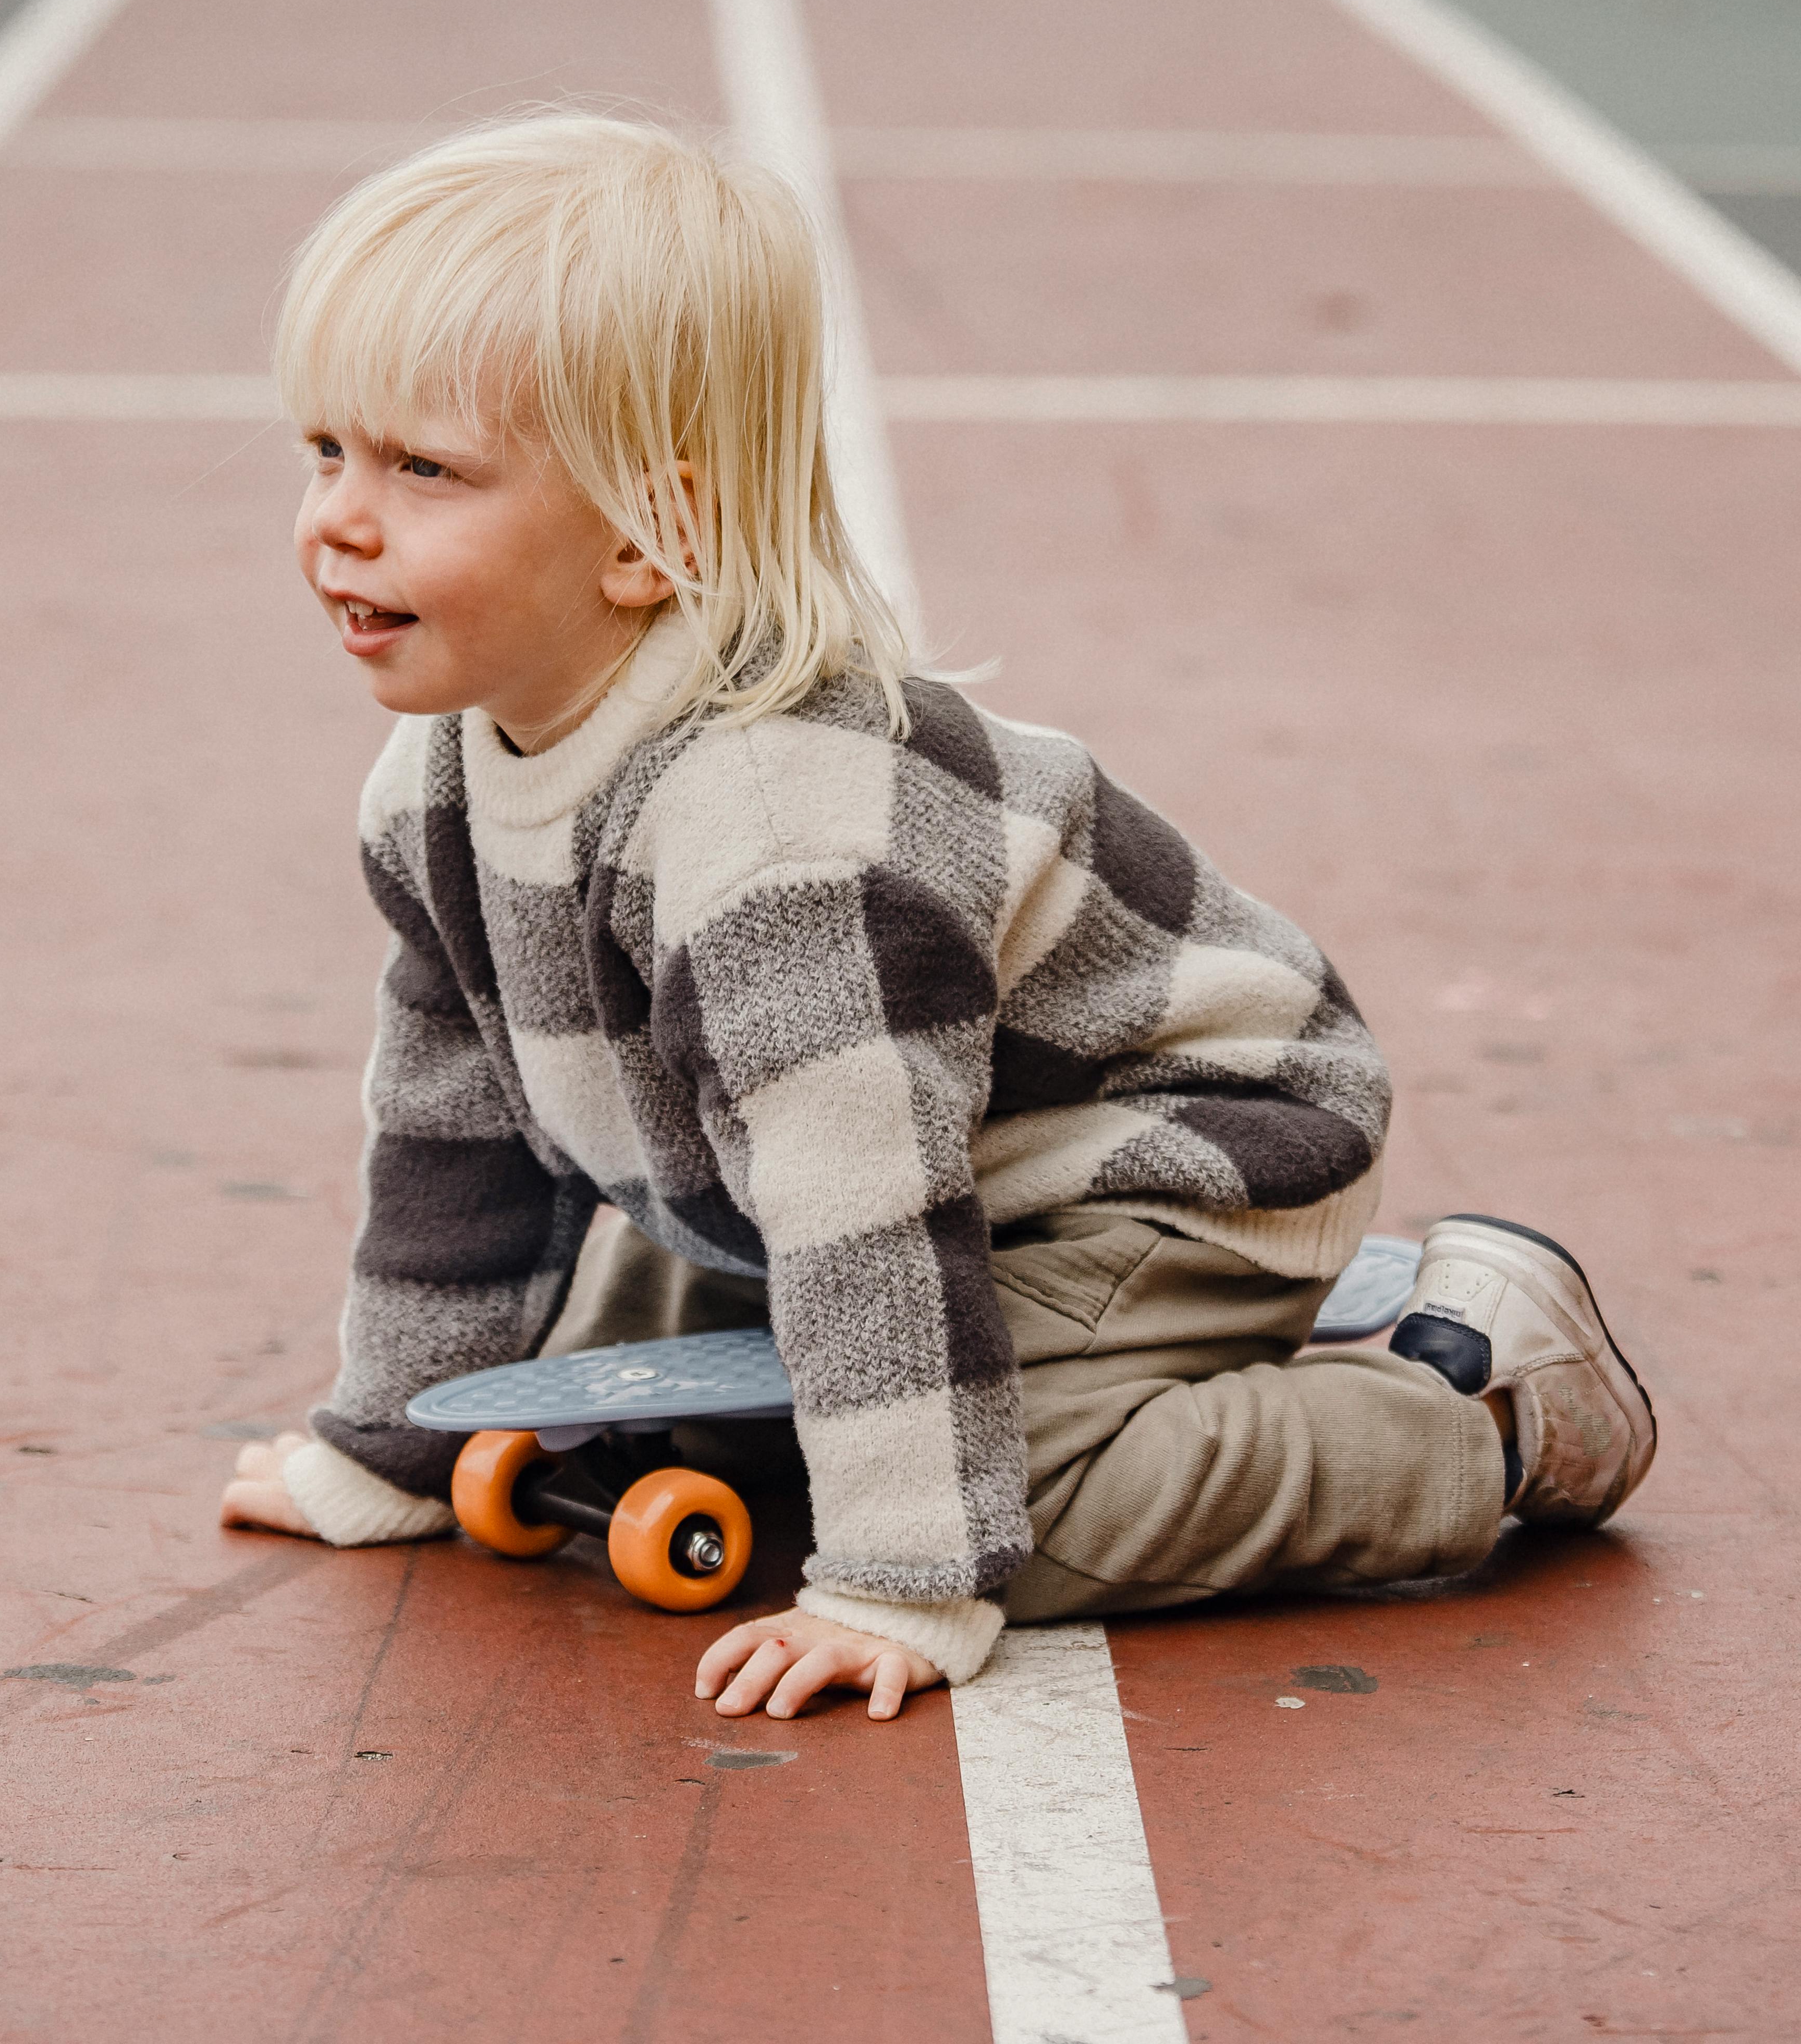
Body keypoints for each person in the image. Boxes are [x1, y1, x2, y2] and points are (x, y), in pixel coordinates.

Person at [217, 113, 1655, 1722]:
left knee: (1003, 1510)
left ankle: (1483, 1406)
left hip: (1174, 1162)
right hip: (858, 1168)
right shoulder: (436, 786)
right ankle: (921, 1436)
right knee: (634, 1400)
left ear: (652, 538)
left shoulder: (782, 849)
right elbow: (452, 1142)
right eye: (324, 449)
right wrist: (398, 1440)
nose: (338, 517)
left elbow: (869, 1211)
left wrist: (903, 1576)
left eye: (424, 470)